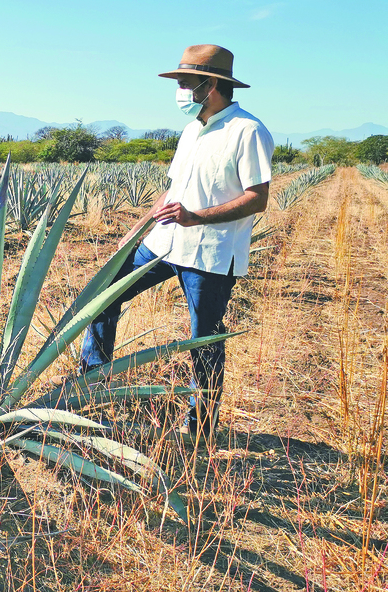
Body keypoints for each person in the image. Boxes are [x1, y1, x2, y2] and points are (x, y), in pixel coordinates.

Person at [80, 44, 275, 444]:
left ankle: (199, 426)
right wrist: (138, 228)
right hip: (164, 242)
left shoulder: (248, 131)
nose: (180, 91)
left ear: (211, 85)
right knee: (104, 295)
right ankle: (92, 386)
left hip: (210, 253)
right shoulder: (190, 131)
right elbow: (173, 190)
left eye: (186, 83)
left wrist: (196, 217)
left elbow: (258, 198)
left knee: (204, 338)